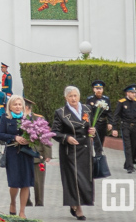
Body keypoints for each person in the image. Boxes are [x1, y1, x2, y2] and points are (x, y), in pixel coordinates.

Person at [51, 86, 94, 220]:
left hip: (85, 149)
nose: (73, 98)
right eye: (70, 96)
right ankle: (77, 207)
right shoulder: (61, 113)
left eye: (75, 95)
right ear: (66, 98)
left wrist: (93, 131)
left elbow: (89, 127)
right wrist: (66, 138)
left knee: (85, 179)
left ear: (79, 96)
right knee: (74, 179)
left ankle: (75, 202)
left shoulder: (87, 109)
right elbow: (55, 132)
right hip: (70, 151)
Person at [0, 95, 36, 218]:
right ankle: (13, 202)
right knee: (14, 183)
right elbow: (0, 135)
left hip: (26, 153)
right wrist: (15, 137)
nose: (18, 107)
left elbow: (37, 133)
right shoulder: (6, 118)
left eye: (20, 104)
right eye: (15, 104)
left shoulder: (28, 118)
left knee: (26, 183)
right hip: (13, 153)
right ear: (10, 106)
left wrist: (31, 139)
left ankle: (22, 211)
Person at [109, 85, 136, 173]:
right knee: (128, 146)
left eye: (134, 93)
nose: (134, 95)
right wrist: (114, 128)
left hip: (134, 127)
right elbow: (116, 116)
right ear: (127, 93)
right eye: (132, 93)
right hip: (125, 126)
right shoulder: (122, 102)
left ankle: (128, 163)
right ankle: (130, 167)